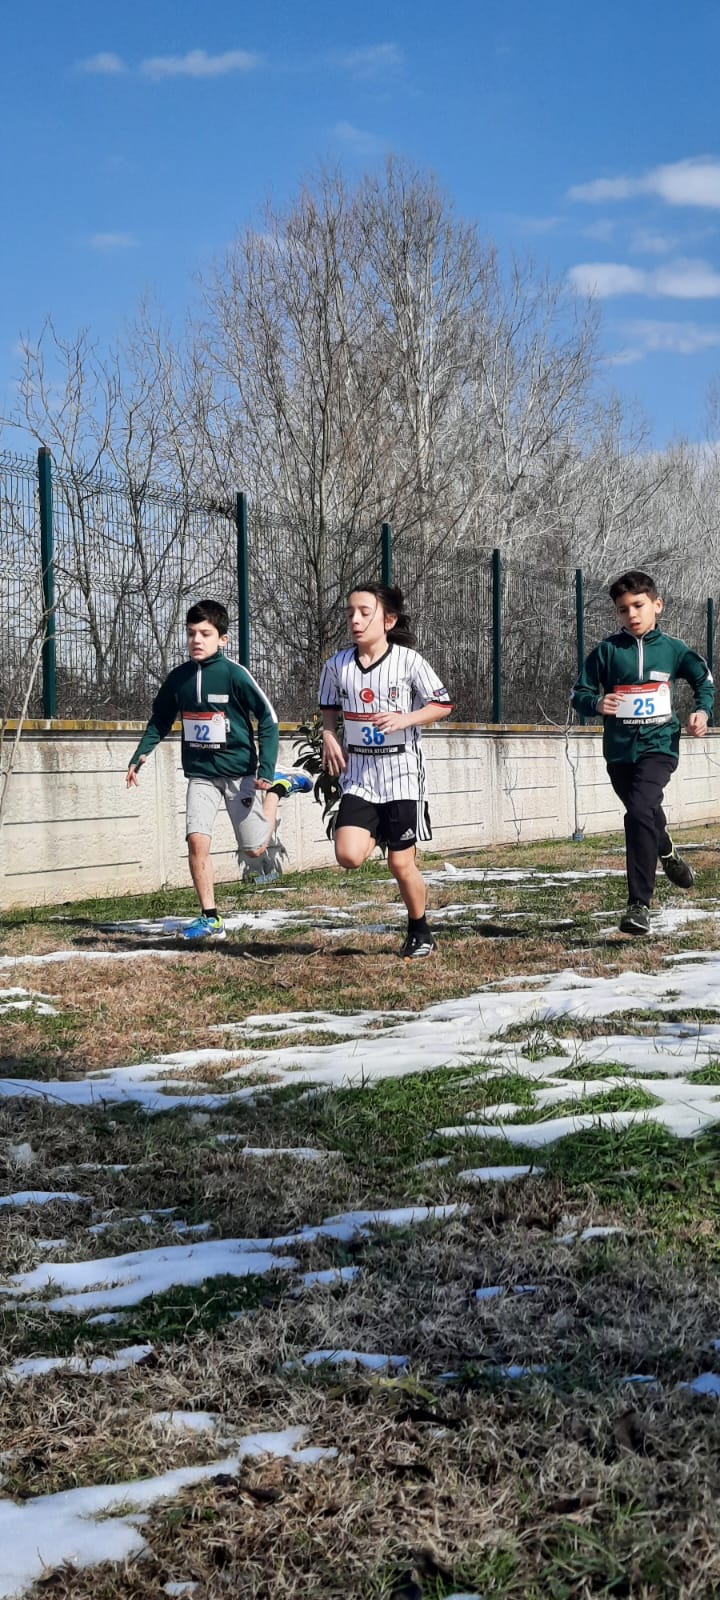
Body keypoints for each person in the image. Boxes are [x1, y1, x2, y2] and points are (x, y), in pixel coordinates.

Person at [126, 599, 311, 940]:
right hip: (201, 775)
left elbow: (268, 721)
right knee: (197, 841)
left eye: (205, 634)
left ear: (222, 639)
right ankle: (210, 918)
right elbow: (160, 719)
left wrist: (267, 769)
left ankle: (279, 789)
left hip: (241, 774)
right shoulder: (178, 679)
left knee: (255, 849)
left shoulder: (234, 675)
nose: (197, 640)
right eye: (191, 633)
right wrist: (141, 754)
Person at [571, 569, 713, 935]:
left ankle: (639, 904)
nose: (631, 614)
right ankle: (665, 848)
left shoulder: (673, 649)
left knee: (637, 811)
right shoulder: (606, 651)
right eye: (622, 609)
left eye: (638, 605)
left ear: (657, 605)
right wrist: (599, 704)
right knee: (644, 812)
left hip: (659, 746)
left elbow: (703, 679)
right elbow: (579, 694)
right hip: (619, 751)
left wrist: (702, 710)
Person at [319, 584, 453, 959]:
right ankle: (376, 830)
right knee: (347, 855)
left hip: (401, 777)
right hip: (359, 778)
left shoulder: (408, 662)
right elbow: (328, 706)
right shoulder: (337, 665)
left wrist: (405, 718)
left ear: (388, 620)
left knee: (399, 862)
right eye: (350, 613)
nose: (355, 620)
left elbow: (442, 704)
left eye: (365, 612)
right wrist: (329, 734)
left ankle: (420, 930)